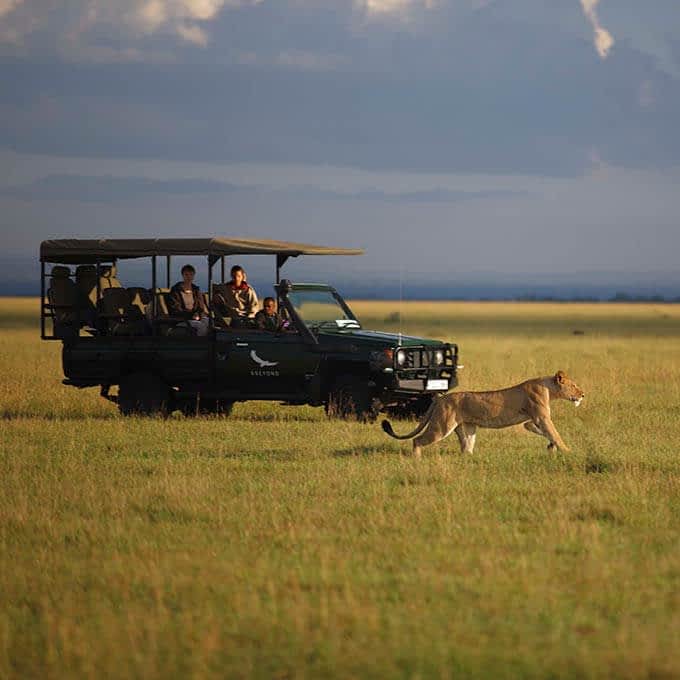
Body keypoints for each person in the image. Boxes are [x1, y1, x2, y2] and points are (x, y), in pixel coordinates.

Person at [168, 264, 209, 336]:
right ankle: (200, 343)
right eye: (186, 275)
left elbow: (201, 306)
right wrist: (191, 315)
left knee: (209, 321)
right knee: (201, 326)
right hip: (182, 319)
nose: (189, 277)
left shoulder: (196, 289)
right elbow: (176, 309)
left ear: (193, 276)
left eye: (191, 275)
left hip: (195, 317)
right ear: (183, 275)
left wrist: (198, 314)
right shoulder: (176, 290)